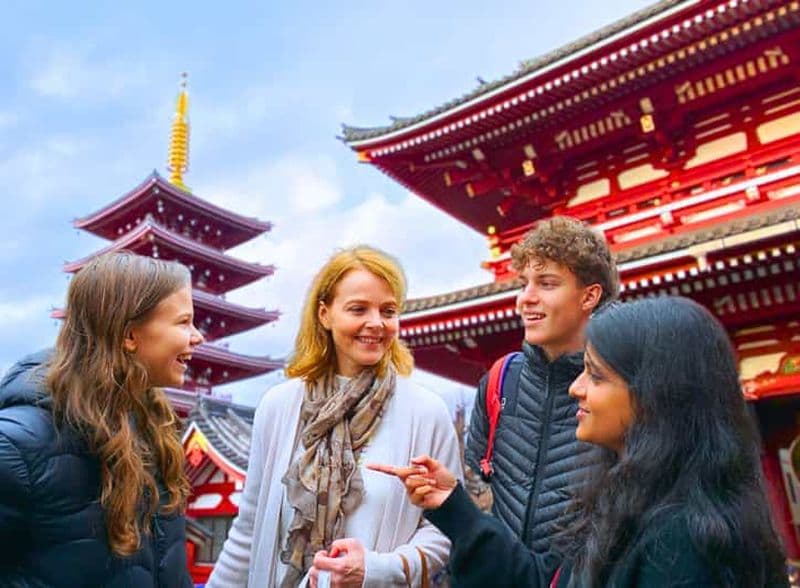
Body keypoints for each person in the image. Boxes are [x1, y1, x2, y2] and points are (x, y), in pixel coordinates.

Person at [372, 296, 789, 587]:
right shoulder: (624, 505)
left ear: (657, 395)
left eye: (596, 375)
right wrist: (454, 505)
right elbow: (541, 581)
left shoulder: (687, 543)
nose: (576, 388)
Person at [207, 245, 462, 588]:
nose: (376, 323)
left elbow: (445, 528)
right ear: (324, 314)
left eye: (388, 311)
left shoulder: (426, 413)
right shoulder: (280, 406)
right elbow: (250, 526)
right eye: (358, 309)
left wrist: (377, 570)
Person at [0, 251, 204, 587]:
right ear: (129, 335)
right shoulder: (18, 445)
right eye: (184, 322)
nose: (197, 337)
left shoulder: (154, 435)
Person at [464, 215, 617, 578]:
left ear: (589, 295)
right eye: (524, 283)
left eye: (546, 284)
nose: (525, 299)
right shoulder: (499, 381)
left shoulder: (621, 384)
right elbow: (476, 486)